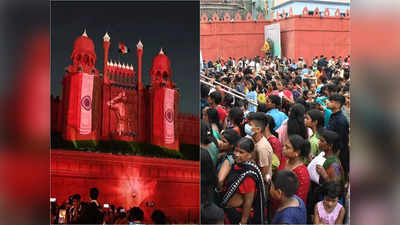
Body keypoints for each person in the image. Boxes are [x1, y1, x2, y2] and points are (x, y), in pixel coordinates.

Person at [220, 137, 266, 224]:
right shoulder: (238, 165)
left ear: (249, 155)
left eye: (241, 152)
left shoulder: (248, 175)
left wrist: (243, 222)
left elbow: (248, 201)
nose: (237, 154)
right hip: (229, 211)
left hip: (237, 215)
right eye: (236, 150)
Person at [246, 112, 274, 183]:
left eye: (250, 125)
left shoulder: (262, 148)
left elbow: (264, 172)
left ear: (258, 129)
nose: (247, 126)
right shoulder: (252, 138)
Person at [326, 94, 349, 176]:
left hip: (339, 154)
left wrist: (335, 157)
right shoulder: (333, 116)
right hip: (333, 152)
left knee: (338, 175)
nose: (327, 102)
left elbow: (341, 141)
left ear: (338, 105)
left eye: (331, 101)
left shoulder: (340, 120)